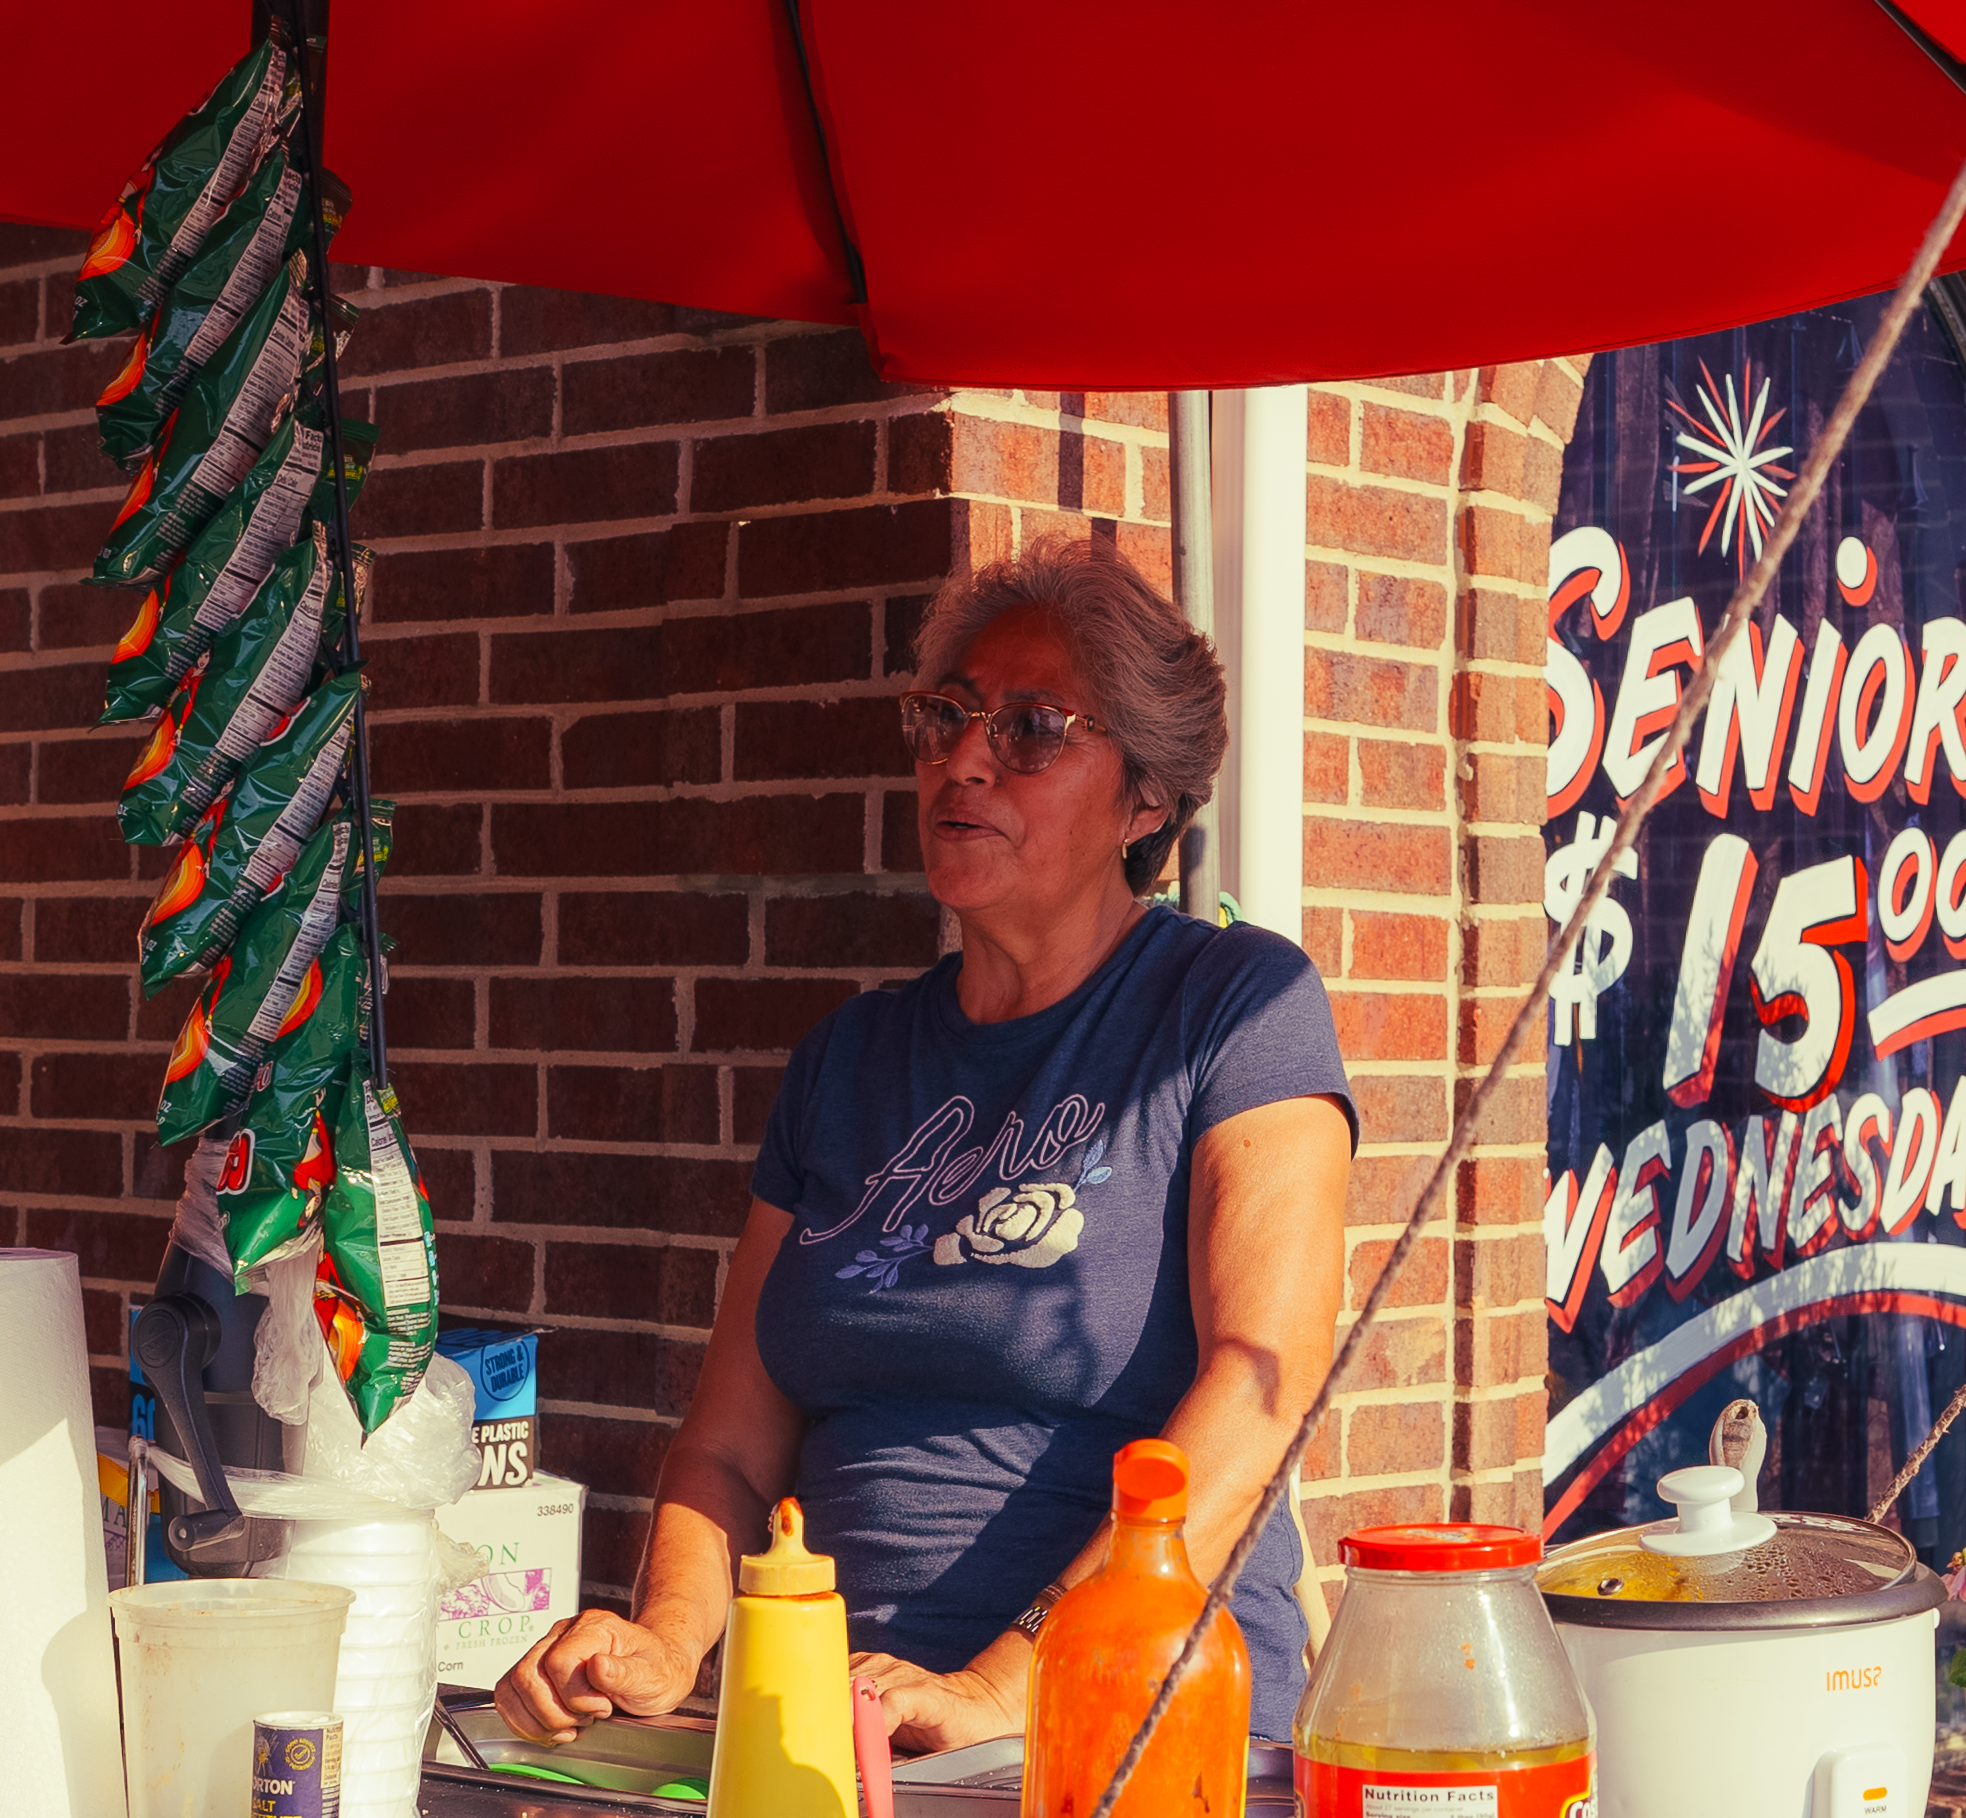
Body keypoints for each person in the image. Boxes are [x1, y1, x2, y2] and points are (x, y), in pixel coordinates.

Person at [493, 539, 1357, 1754]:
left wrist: (1013, 1680)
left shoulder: (1232, 1005)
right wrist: (669, 1636)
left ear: (1148, 799)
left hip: (1131, 1734)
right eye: (945, 717)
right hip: (840, 1734)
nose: (962, 760)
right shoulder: (847, 1058)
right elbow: (732, 1447)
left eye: (1032, 729)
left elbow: (1262, 1393)